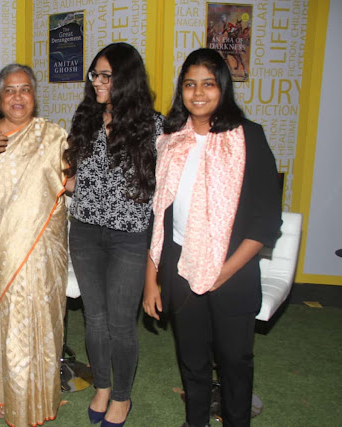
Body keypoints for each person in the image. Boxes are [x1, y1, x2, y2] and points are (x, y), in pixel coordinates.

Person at [143, 48, 282, 427]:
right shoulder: (171, 141)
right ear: (181, 90)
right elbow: (159, 216)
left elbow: (265, 222)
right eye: (189, 84)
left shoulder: (248, 137)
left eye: (208, 83)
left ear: (222, 87)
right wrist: (151, 279)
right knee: (192, 360)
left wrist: (222, 273)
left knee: (235, 360)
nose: (198, 92)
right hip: (179, 265)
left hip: (232, 271)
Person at [0, 64, 69, 426]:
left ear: (34, 96)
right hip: (1, 247)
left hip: (44, 245)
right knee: (5, 319)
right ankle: (6, 390)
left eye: (25, 90)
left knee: (44, 320)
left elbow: (73, 183)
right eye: (10, 91)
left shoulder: (53, 135)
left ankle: (40, 393)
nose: (18, 97)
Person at [63, 42, 163, 427]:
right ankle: (103, 386)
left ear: (126, 79)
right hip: (85, 230)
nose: (98, 83)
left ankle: (122, 395)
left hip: (129, 237)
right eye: (95, 75)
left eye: (106, 76)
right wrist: (70, 180)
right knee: (95, 318)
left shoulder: (155, 126)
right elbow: (76, 172)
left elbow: (162, 190)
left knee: (121, 322)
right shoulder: (86, 117)